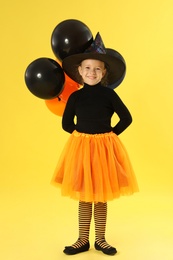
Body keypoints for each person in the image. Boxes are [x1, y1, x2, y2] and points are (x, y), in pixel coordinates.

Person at [52, 33, 139, 256]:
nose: (92, 72)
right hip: (82, 150)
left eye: (97, 69)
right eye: (88, 68)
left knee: (100, 195)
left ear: (104, 72)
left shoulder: (110, 95)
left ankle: (100, 239)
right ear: (79, 72)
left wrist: (110, 135)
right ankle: (82, 240)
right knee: (84, 195)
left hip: (103, 149)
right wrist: (81, 137)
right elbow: (65, 123)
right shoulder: (75, 98)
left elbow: (127, 118)